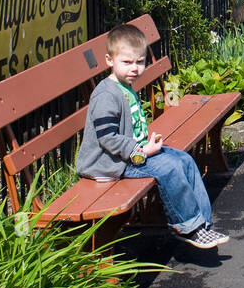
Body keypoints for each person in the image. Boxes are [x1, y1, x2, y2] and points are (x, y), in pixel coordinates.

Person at [75, 23, 229, 250]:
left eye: (140, 62)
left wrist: (145, 143)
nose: (134, 68)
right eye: (126, 62)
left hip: (131, 154)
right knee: (169, 168)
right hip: (110, 163)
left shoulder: (125, 86)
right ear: (110, 60)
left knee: (184, 160)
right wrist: (141, 150)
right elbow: (108, 138)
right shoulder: (107, 95)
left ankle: (202, 225)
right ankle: (186, 227)